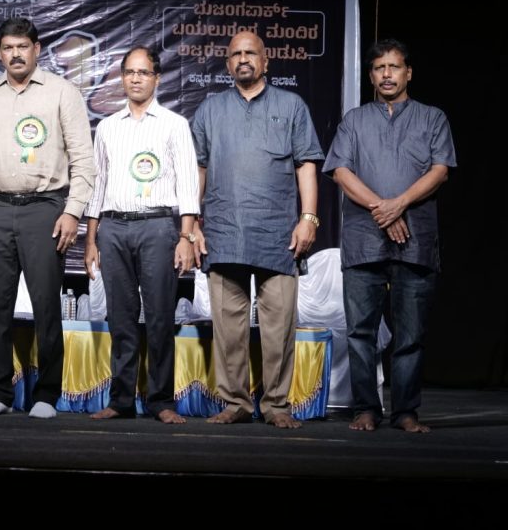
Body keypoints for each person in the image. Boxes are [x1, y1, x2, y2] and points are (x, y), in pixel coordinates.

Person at [190, 30, 323, 428]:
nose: (243, 59)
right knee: (228, 329)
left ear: (266, 61)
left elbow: (306, 164)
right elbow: (199, 168)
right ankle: (235, 403)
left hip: (278, 234)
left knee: (279, 327)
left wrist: (309, 218)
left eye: (251, 53)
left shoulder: (291, 105)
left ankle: (277, 405)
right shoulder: (211, 109)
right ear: (227, 63)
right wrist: (192, 224)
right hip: (224, 232)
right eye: (236, 54)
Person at [323, 39, 455, 434]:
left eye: (394, 67)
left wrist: (399, 204)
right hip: (364, 240)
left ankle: (405, 412)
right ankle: (366, 409)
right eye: (379, 68)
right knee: (360, 332)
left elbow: (440, 171)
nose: (386, 74)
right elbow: (341, 172)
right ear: (370, 76)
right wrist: (384, 209)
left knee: (410, 334)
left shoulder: (432, 118)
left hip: (415, 240)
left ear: (408, 73)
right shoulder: (354, 120)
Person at [0, 18, 96, 418]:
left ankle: (47, 394)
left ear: (37, 49)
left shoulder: (62, 92)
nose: (16, 54)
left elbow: (84, 160)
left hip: (46, 207)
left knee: (45, 305)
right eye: (8, 48)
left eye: (22, 46)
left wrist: (72, 211)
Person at [84, 47, 200, 424]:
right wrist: (91, 239)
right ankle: (120, 400)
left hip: (158, 226)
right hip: (114, 227)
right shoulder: (107, 127)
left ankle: (161, 401)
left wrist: (185, 237)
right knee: (121, 318)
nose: (136, 79)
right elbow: (98, 186)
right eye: (130, 72)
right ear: (122, 77)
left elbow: (188, 184)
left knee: (160, 317)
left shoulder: (173, 124)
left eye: (143, 73)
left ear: (157, 78)